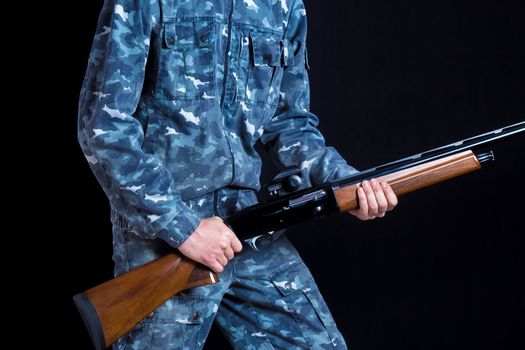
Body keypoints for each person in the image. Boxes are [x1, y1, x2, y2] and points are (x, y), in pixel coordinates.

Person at [78, 0, 398, 349]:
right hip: (163, 234)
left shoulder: (285, 5)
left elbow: (290, 123)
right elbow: (104, 129)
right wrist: (184, 228)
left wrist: (346, 183)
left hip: (247, 226)